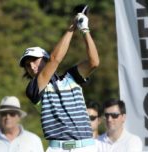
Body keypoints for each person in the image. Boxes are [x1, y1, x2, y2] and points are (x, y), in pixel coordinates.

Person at [19, 10, 99, 152]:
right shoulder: (33, 88)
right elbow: (55, 59)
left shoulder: (71, 77)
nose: (31, 66)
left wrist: (85, 30)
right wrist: (73, 27)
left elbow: (94, 62)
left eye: (35, 60)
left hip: (86, 147)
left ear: (45, 60)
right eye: (27, 64)